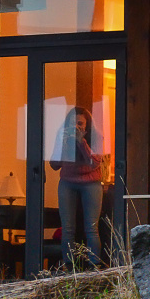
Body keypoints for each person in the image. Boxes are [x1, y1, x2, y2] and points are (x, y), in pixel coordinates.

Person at [49, 106, 103, 269]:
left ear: (87, 126)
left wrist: (82, 142)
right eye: (73, 124)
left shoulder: (96, 137)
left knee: (91, 227)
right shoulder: (62, 137)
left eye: (80, 124)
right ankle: (69, 266)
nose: (77, 127)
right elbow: (54, 164)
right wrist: (62, 143)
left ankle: (94, 266)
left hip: (91, 183)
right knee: (67, 228)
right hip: (68, 182)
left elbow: (94, 163)